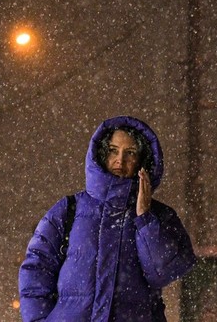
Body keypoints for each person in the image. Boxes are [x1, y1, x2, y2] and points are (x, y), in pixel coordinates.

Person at [19, 116, 197, 322]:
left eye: (130, 153)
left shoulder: (161, 216)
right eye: (113, 150)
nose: (120, 160)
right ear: (102, 153)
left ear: (142, 160)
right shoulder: (68, 210)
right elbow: (36, 269)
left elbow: (163, 273)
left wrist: (144, 218)